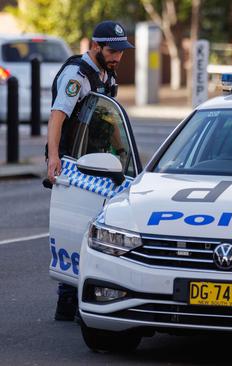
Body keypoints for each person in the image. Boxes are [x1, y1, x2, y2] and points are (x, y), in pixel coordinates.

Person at [46, 20, 134, 321]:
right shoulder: (78, 75)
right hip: (75, 163)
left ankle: (80, 299)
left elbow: (108, 119)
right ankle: (67, 303)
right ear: (95, 46)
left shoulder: (106, 73)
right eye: (112, 51)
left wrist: (124, 155)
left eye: (121, 52)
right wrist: (54, 159)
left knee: (98, 230)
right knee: (76, 229)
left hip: (99, 162)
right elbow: (58, 117)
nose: (118, 57)